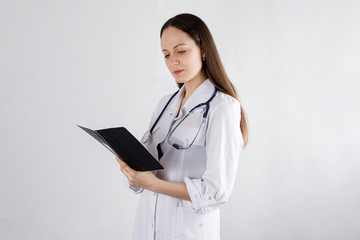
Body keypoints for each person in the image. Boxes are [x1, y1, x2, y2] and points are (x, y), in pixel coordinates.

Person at [116, 13, 248, 240]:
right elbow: (151, 169)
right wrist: (133, 171)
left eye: (181, 51)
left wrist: (154, 184)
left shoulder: (222, 107)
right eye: (166, 55)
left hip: (187, 231)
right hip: (147, 227)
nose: (172, 61)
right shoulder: (164, 104)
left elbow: (216, 192)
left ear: (203, 50)